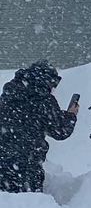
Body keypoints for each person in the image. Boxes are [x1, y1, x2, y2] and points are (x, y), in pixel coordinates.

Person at [0, 60, 78, 194]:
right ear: (47, 80)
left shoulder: (8, 94)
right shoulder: (43, 100)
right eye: (53, 84)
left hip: (3, 161)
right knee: (30, 206)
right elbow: (60, 131)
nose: (53, 88)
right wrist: (71, 115)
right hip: (28, 165)